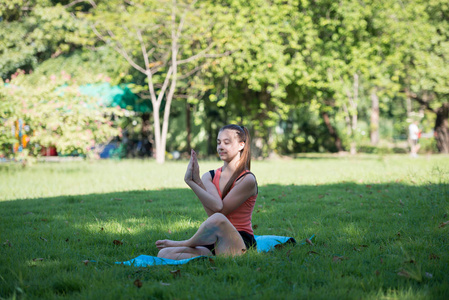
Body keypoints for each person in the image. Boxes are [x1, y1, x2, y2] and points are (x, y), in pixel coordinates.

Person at [156, 125, 258, 260]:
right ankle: (209, 256)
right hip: (215, 239)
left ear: (241, 145)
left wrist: (192, 183)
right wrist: (196, 182)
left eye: (226, 143)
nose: (220, 147)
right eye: (218, 142)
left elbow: (219, 214)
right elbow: (215, 208)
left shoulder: (247, 179)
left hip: (240, 241)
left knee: (219, 218)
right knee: (164, 254)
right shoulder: (209, 176)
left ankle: (185, 242)